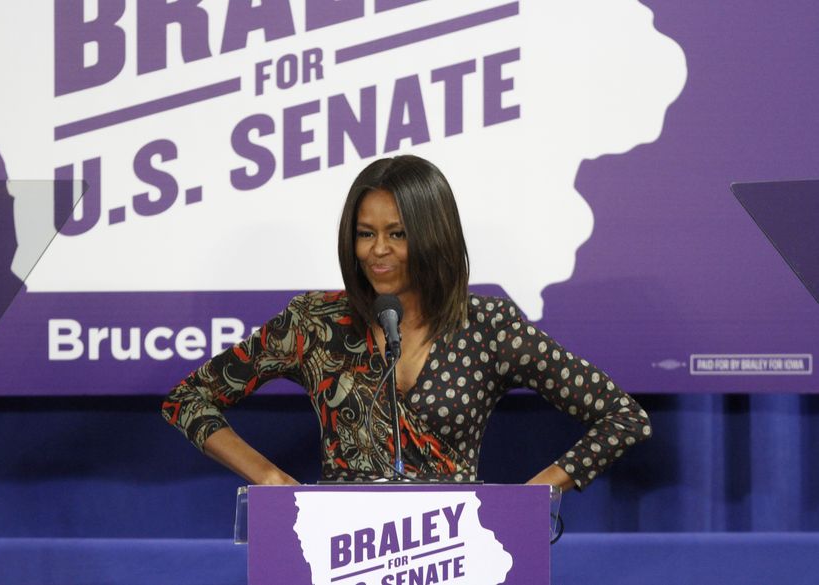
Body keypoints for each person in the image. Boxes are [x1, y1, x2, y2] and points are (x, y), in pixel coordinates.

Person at [162, 155, 651, 490]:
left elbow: (623, 417)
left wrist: (537, 492)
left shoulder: (488, 327)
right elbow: (189, 398)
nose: (377, 250)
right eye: (365, 233)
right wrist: (268, 476)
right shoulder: (314, 322)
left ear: (433, 235)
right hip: (341, 552)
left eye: (397, 233)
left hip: (456, 554)